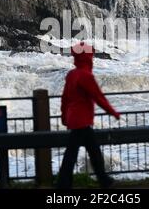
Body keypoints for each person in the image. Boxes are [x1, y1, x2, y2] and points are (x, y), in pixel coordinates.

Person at [56, 42, 120, 189]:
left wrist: (64, 116)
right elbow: (99, 97)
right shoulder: (86, 76)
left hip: (74, 119)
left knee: (83, 152)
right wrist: (113, 112)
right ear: (87, 58)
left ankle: (100, 180)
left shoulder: (72, 74)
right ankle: (100, 180)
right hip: (82, 121)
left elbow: (65, 98)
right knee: (85, 153)